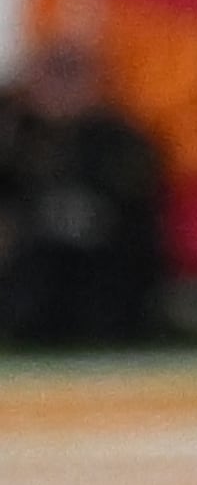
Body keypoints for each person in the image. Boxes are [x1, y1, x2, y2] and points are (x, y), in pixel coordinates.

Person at [0, 38, 173, 348]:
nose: (62, 90)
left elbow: (142, 209)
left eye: (72, 76)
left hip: (106, 260)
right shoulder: (16, 136)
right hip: (33, 263)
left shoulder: (120, 136)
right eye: (54, 75)